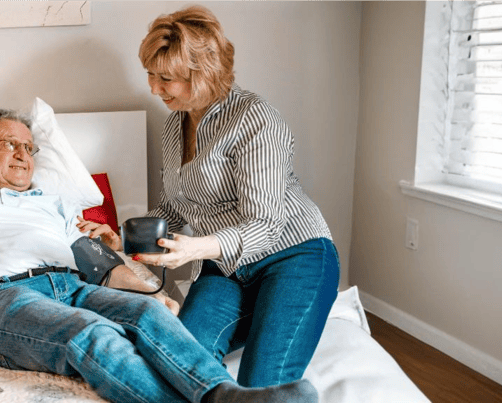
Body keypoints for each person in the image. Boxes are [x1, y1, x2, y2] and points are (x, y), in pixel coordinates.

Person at [0, 110, 318, 403]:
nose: (24, 154)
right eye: (10, 144)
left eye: (29, 147)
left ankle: (223, 396)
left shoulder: (56, 206)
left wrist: (149, 293)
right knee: (93, 334)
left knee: (149, 316)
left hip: (71, 285)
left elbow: (103, 269)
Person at [126, 5, 342, 389]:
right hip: (226, 268)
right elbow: (173, 209)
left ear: (203, 72)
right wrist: (122, 239)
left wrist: (194, 249)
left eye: (166, 78)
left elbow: (266, 224)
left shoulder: (256, 119)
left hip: (294, 255)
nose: (154, 88)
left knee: (262, 382)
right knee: (181, 364)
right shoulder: (174, 124)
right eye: (150, 74)